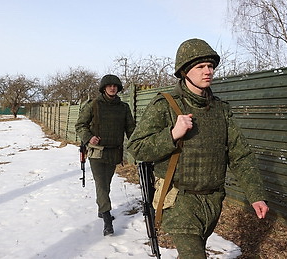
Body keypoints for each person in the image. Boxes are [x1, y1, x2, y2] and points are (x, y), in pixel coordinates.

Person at [128, 38, 269, 258]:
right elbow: (136, 147)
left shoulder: (220, 110)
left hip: (212, 201)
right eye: (200, 67)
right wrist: (172, 134)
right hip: (179, 201)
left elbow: (240, 155)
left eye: (210, 66)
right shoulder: (165, 105)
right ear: (185, 71)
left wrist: (256, 195)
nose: (208, 71)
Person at [75, 74, 135, 236]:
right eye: (109, 85)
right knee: (101, 184)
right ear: (103, 88)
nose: (112, 88)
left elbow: (131, 130)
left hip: (114, 152)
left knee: (105, 185)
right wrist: (89, 137)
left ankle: (102, 208)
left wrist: (138, 146)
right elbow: (80, 125)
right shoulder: (93, 105)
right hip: (97, 152)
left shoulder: (123, 108)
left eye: (115, 86)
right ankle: (107, 219)